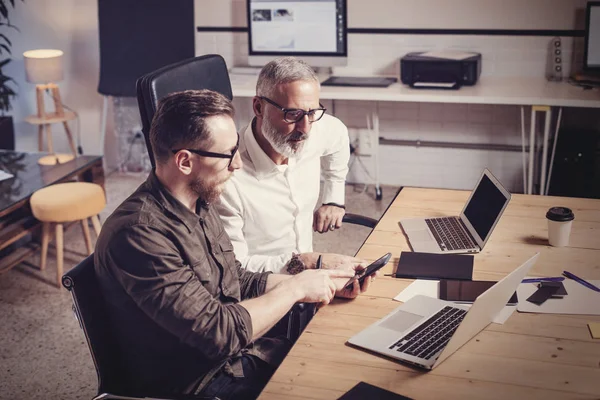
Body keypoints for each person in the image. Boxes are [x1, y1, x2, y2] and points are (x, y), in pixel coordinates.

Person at [94, 89, 371, 400]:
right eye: (228, 154)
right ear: (185, 161)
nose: (238, 164)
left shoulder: (199, 202)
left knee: (351, 351)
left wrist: (318, 280)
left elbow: (235, 279)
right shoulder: (138, 235)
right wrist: (294, 289)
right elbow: (219, 333)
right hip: (199, 383)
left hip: (242, 355)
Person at [217, 57, 361, 274]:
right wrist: (307, 262)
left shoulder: (314, 129)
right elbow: (233, 269)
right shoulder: (226, 179)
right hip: (263, 290)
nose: (305, 129)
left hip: (310, 279)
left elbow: (338, 134)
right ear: (258, 107)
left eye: (311, 113)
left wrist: (333, 198)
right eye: (292, 114)